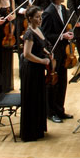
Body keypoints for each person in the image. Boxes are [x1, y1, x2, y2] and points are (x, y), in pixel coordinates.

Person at [42, 0, 74, 122]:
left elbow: (66, 26)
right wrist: (62, 36)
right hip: (54, 52)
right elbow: (46, 34)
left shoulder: (64, 10)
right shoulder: (48, 13)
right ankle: (51, 111)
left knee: (62, 82)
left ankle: (60, 109)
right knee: (53, 83)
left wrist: (70, 35)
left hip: (64, 51)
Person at [20, 9, 50, 142]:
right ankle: (31, 131)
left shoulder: (38, 29)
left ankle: (38, 128)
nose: (40, 19)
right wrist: (42, 60)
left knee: (39, 97)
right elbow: (27, 54)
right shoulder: (29, 34)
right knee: (32, 99)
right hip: (31, 70)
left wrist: (47, 52)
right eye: (37, 17)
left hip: (38, 70)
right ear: (30, 18)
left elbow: (40, 46)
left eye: (40, 17)